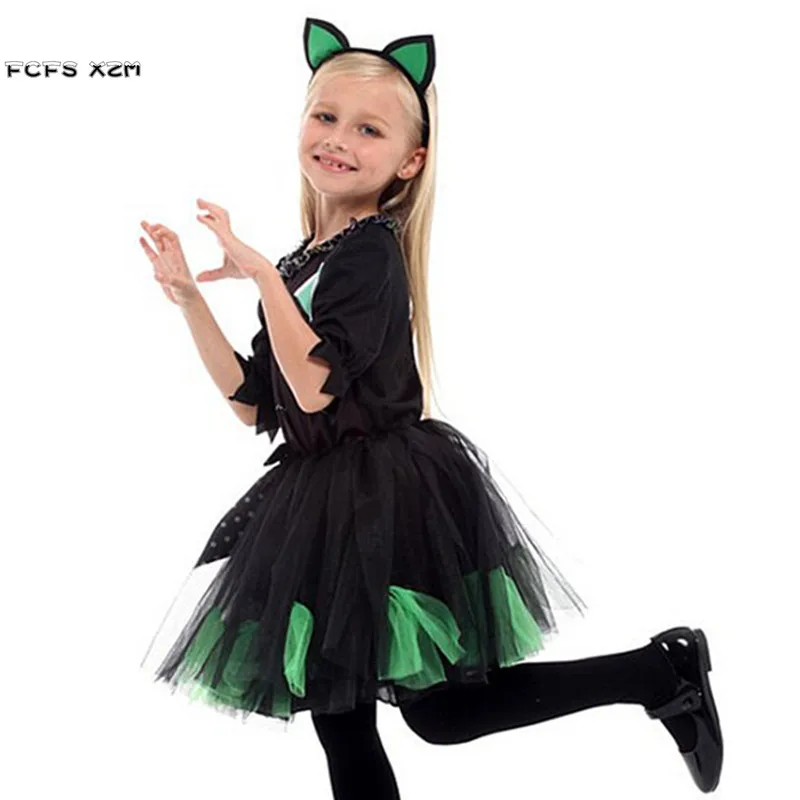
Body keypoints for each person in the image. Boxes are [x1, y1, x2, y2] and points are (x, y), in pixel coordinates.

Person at [137, 16, 723, 798]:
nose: (339, 138)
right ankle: (659, 671)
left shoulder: (369, 252)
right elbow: (256, 402)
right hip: (319, 497)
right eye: (325, 116)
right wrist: (189, 299)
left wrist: (262, 278)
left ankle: (660, 670)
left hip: (383, 499)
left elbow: (317, 387)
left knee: (417, 714)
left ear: (410, 161)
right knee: (367, 715)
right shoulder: (306, 258)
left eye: (369, 129)